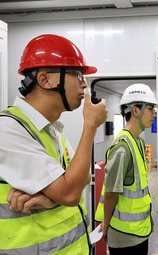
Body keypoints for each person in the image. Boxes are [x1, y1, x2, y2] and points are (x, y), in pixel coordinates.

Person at [0, 34, 108, 254]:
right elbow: (70, 193)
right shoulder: (8, 129)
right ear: (45, 80)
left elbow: (82, 178)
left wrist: (51, 198)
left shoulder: (51, 129)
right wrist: (90, 126)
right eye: (76, 74)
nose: (84, 83)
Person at [95, 83, 158, 255]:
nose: (154, 114)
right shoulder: (122, 148)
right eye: (150, 109)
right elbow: (110, 192)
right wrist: (106, 224)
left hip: (139, 231)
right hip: (125, 237)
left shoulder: (137, 141)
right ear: (136, 111)